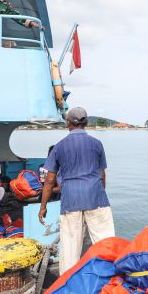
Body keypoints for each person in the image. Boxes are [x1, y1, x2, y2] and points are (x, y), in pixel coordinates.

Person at [38, 107, 115, 271]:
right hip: (96, 197)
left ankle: (67, 282)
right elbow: (102, 175)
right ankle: (112, 278)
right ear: (86, 122)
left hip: (71, 200)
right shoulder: (97, 144)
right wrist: (100, 194)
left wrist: (43, 206)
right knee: (105, 242)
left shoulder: (59, 146)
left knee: (70, 246)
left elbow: (50, 179)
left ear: (68, 123)